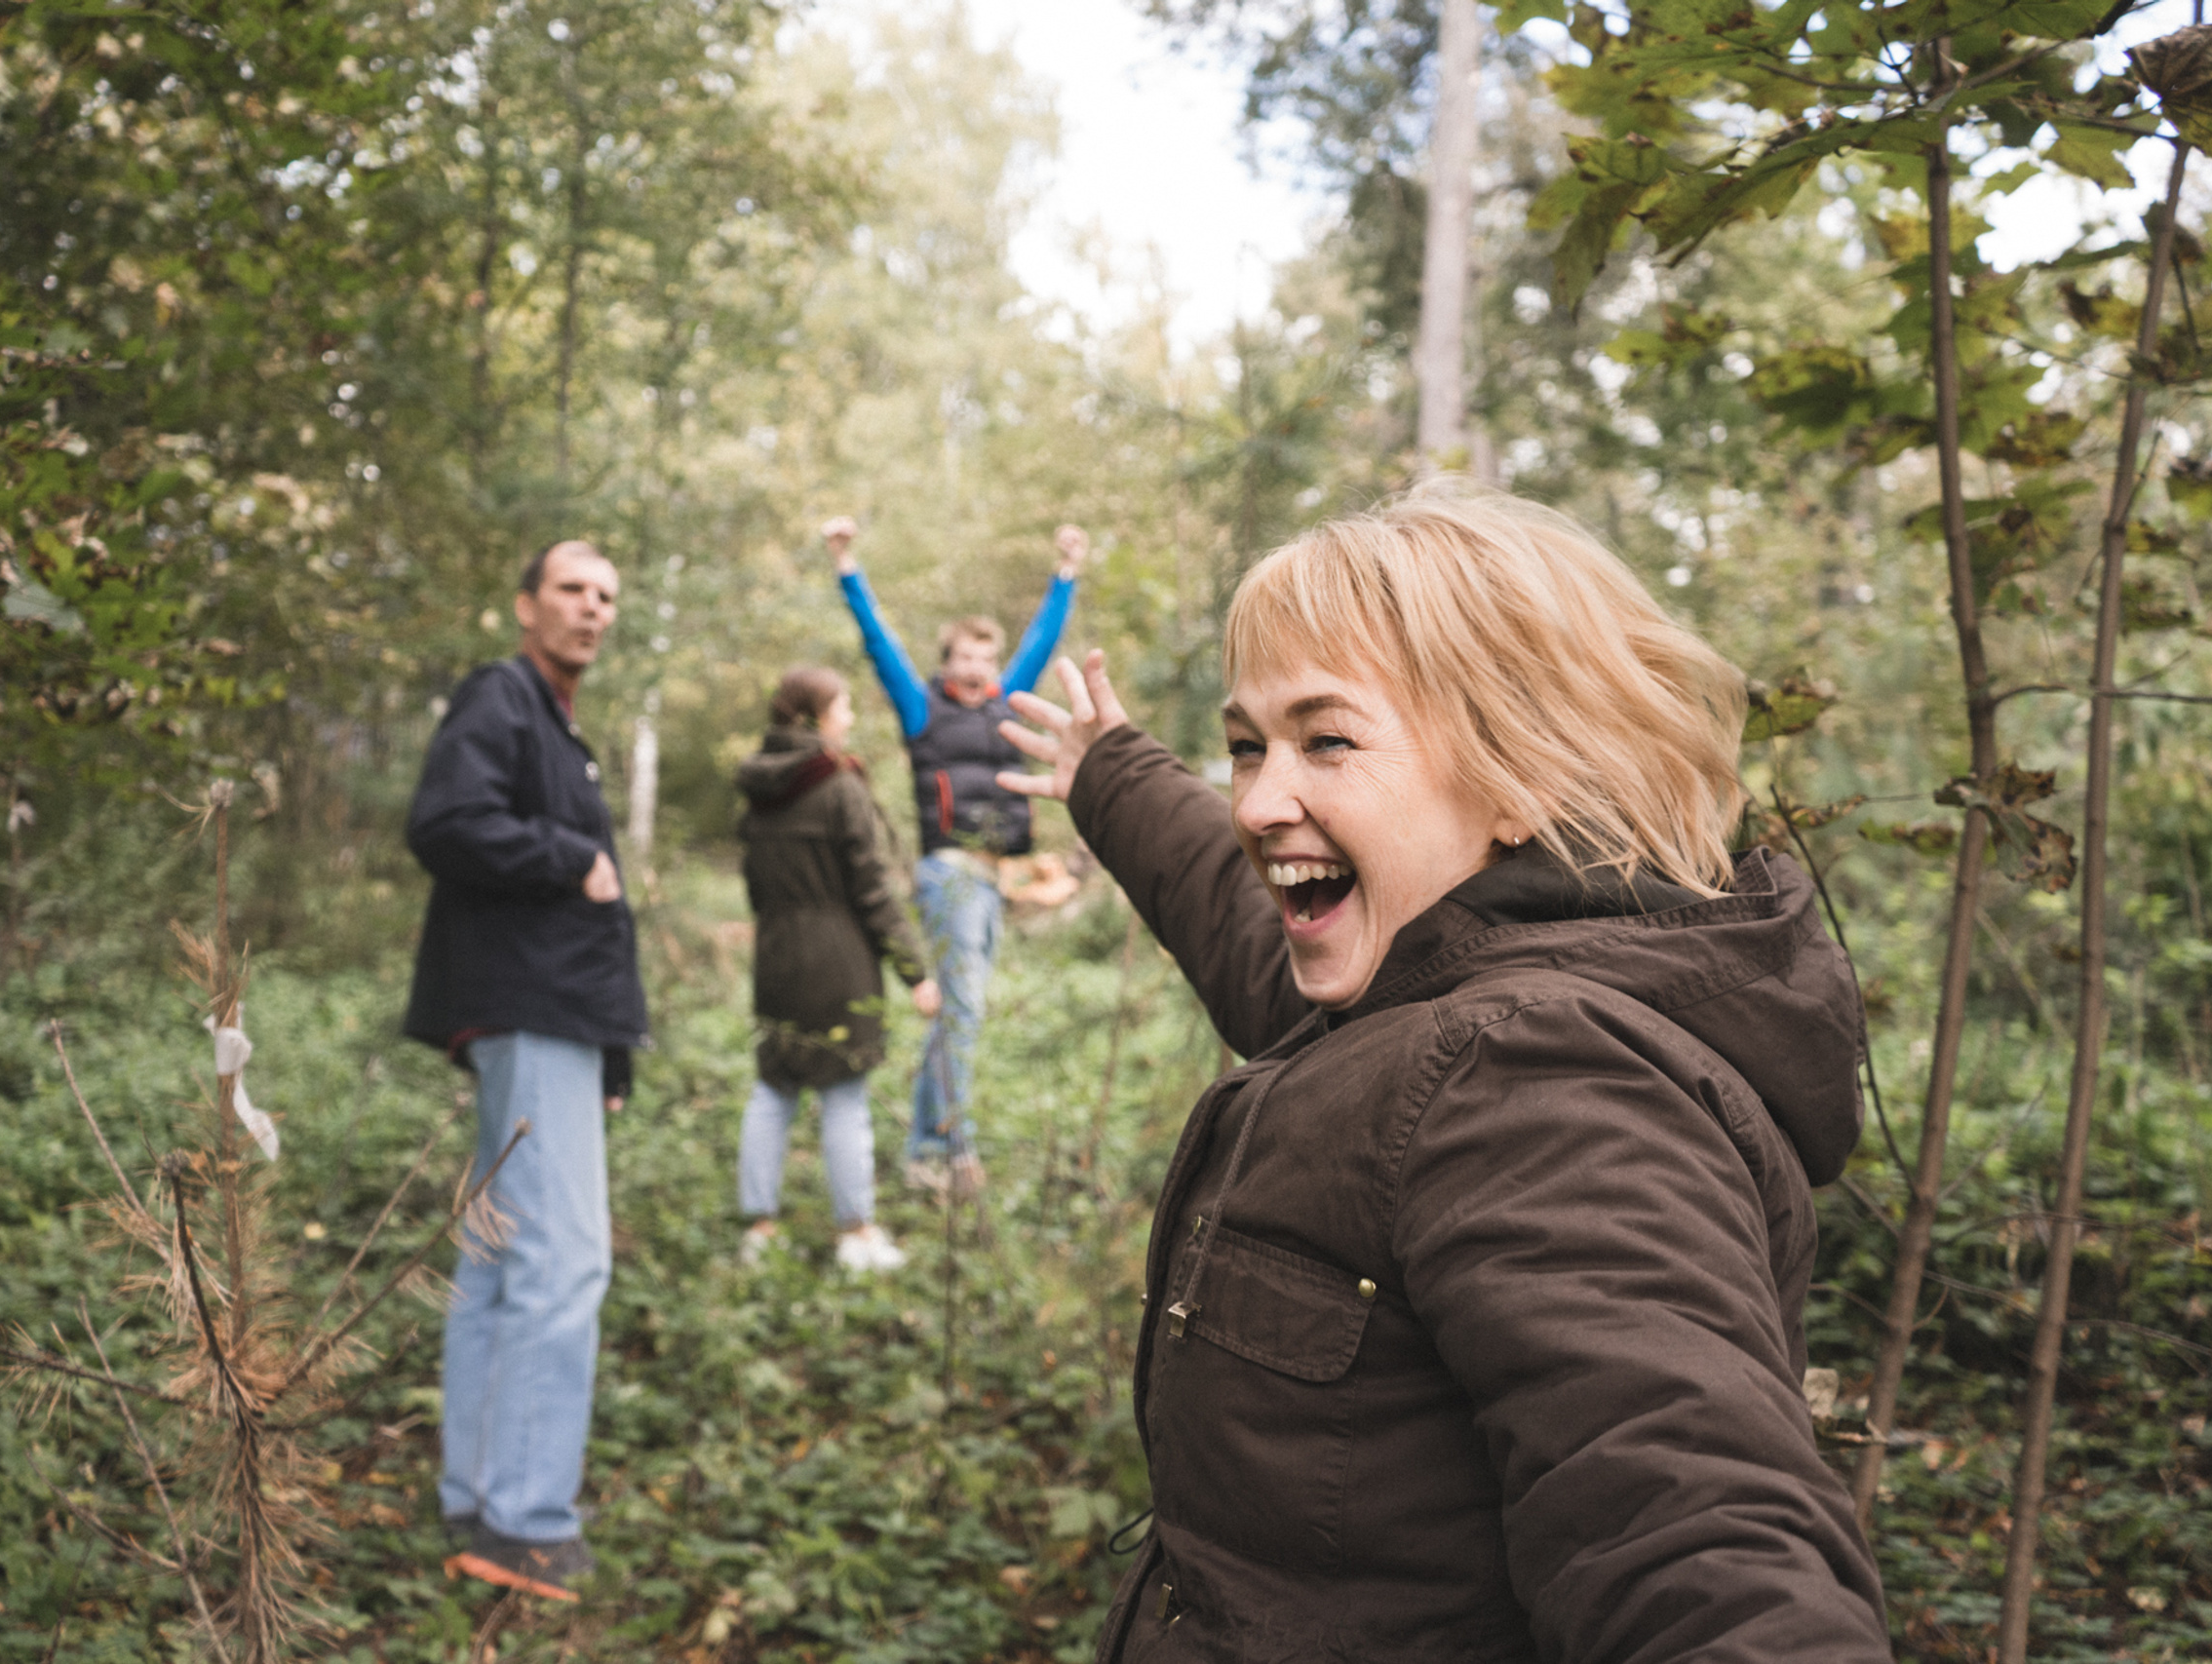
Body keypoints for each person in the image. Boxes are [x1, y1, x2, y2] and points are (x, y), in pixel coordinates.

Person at [997, 484, 1892, 1661]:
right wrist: (1111, 776)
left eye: (1327, 740)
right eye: (1245, 747)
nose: (1259, 801)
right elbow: (1247, 931)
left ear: (1520, 772)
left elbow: (1692, 1535)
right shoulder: (1422, 992)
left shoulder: (1537, 1078)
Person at [404, 539, 647, 1604]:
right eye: (571, 590)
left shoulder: (554, 722)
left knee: (501, 1264)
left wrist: (611, 1053)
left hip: (547, 1022)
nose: (590, 610)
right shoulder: (501, 696)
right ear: (525, 605)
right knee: (561, 1264)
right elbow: (447, 822)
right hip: (526, 1013)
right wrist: (571, 858)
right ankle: (526, 1524)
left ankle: (476, 1498)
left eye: (605, 596)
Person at [823, 515, 1087, 1192]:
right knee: (962, 1012)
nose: (974, 668)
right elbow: (881, 645)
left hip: (998, 875)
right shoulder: (923, 710)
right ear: (946, 663)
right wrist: (849, 568)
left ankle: (921, 1153)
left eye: (983, 658)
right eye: (962, 657)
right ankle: (954, 1147)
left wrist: (1066, 575)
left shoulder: (1007, 704)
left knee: (958, 1014)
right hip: (949, 875)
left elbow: (1041, 638)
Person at [732, 666, 943, 1272]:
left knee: (773, 1089)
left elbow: (752, 880)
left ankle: (759, 1230)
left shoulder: (757, 784)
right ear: (813, 716)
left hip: (774, 955)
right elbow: (873, 891)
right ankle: (856, 1235)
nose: (849, 717)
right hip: (838, 960)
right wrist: (915, 972)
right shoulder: (839, 785)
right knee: (844, 1097)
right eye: (842, 706)